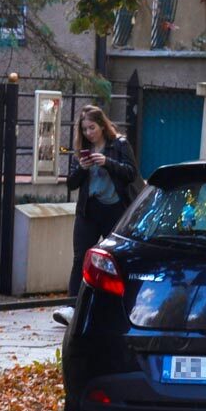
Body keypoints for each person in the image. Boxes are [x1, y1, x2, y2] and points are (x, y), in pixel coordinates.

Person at [68, 105, 139, 295]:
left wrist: (108, 162)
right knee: (80, 257)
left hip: (114, 210)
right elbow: (71, 184)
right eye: (84, 129)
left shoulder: (119, 144)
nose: (88, 133)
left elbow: (131, 173)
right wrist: (82, 168)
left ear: (102, 125)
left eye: (92, 128)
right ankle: (71, 306)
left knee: (115, 258)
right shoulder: (83, 150)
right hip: (88, 210)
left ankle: (121, 300)